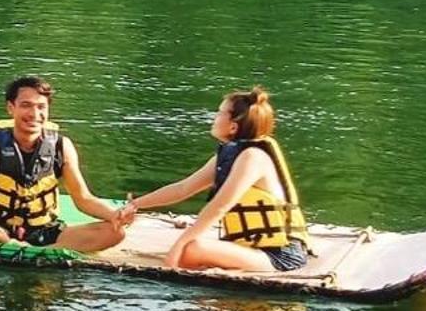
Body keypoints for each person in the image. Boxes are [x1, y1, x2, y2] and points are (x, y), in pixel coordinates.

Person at [120, 87, 310, 273]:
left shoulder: (252, 157)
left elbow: (220, 206)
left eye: (219, 113)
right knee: (190, 247)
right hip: (252, 248)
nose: (214, 118)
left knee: (190, 249)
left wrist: (178, 246)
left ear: (233, 126)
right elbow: (183, 188)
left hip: (280, 255)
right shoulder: (229, 155)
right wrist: (135, 204)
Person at [0, 75, 132, 260]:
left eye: (41, 107)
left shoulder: (62, 146)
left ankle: (41, 251)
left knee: (115, 232)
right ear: (10, 108)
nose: (34, 114)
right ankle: (34, 251)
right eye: (26, 105)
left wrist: (115, 215)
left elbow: (83, 198)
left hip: (47, 232)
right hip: (1, 230)